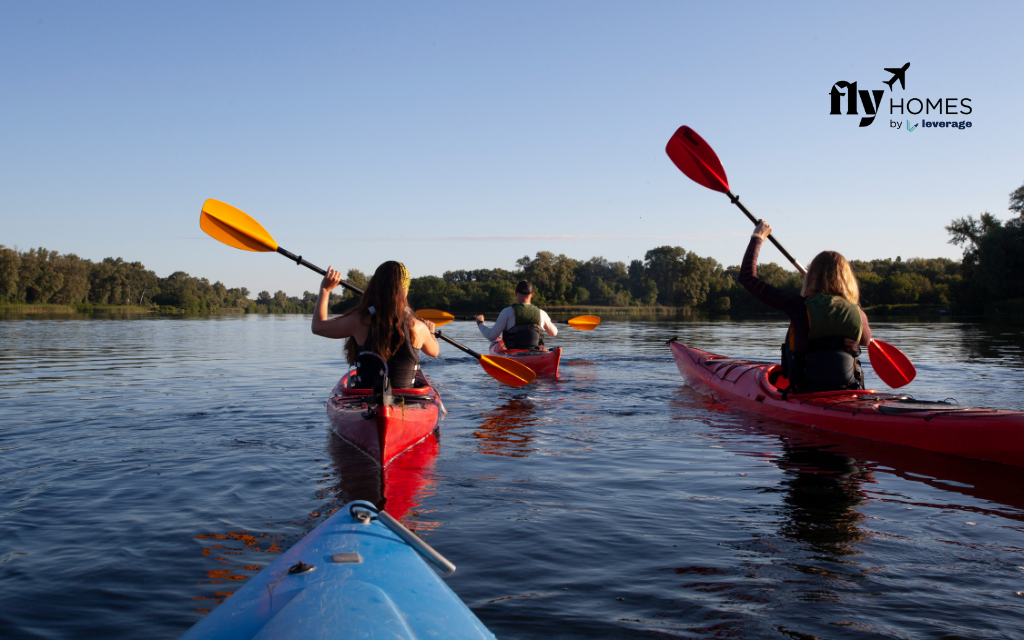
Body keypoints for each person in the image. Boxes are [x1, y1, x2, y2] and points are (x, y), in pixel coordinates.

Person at [739, 220, 872, 393]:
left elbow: (747, 277)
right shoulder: (859, 314)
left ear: (811, 277)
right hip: (848, 391)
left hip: (806, 392)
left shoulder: (798, 306)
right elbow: (866, 341)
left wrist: (758, 237)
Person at [311, 261, 438, 389]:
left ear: (374, 287)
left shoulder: (358, 321)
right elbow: (434, 352)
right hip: (407, 402)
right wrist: (430, 332)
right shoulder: (418, 327)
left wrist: (325, 290)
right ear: (406, 291)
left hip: (366, 401)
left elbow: (318, 327)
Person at [475, 280, 558, 350]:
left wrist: (480, 322)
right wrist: (547, 322)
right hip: (535, 353)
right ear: (532, 294)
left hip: (513, 354)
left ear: (515, 293)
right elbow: (553, 333)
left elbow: (491, 336)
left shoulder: (507, 311)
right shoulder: (542, 313)